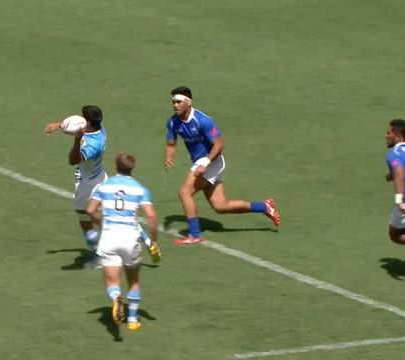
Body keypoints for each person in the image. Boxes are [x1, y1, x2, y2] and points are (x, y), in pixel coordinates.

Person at [163, 86, 280, 245]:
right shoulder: (173, 122)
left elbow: (219, 145)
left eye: (178, 102)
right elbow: (171, 143)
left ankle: (195, 234)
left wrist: (205, 162)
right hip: (203, 163)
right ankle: (264, 207)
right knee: (221, 206)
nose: (175, 105)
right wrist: (169, 157)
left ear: (188, 103)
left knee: (184, 192)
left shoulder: (203, 121)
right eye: (173, 102)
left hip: (212, 161)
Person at [86, 153, 160, 331]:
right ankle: (133, 320)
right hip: (130, 238)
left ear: (116, 166)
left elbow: (90, 209)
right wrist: (154, 241)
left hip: (110, 237)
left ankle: (116, 297)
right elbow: (150, 215)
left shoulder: (104, 186)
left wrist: (99, 222)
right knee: (133, 280)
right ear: (132, 168)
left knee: (112, 281)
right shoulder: (140, 189)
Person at [45, 106, 108, 259]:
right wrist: (59, 125)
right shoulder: (99, 129)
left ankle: (100, 247)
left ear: (87, 122)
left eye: (82, 116)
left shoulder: (92, 145)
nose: (79, 117)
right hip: (100, 176)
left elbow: (73, 160)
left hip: (88, 184)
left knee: (83, 214)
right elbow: (76, 125)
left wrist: (77, 140)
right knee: (96, 213)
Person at [384, 119, 405, 245]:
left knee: (395, 235)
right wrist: (391, 175)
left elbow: (400, 173)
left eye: (389, 133)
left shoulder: (395, 154)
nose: (386, 136)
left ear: (397, 136)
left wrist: (400, 201)